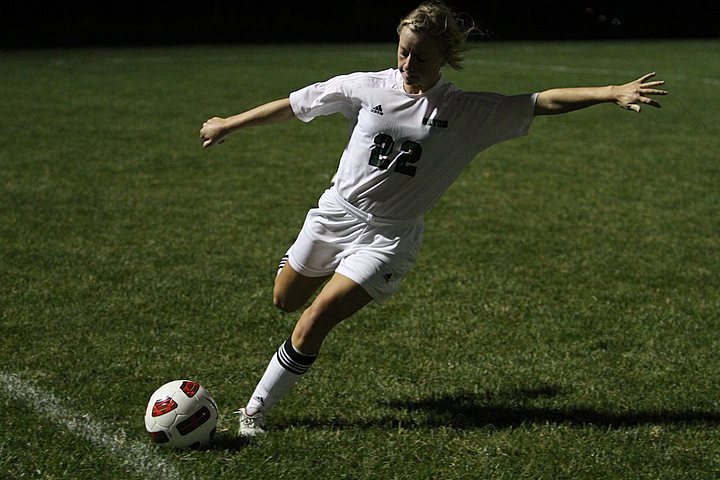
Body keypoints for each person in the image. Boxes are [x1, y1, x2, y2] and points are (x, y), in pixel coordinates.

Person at [199, 0, 667, 436]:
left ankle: (253, 414)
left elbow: (540, 102)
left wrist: (610, 92)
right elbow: (295, 105)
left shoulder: (466, 111)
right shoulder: (365, 86)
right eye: (403, 52)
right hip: (333, 216)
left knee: (315, 319)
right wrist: (228, 124)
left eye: (420, 58)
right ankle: (298, 286)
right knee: (285, 300)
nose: (407, 66)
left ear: (445, 58)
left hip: (388, 239)